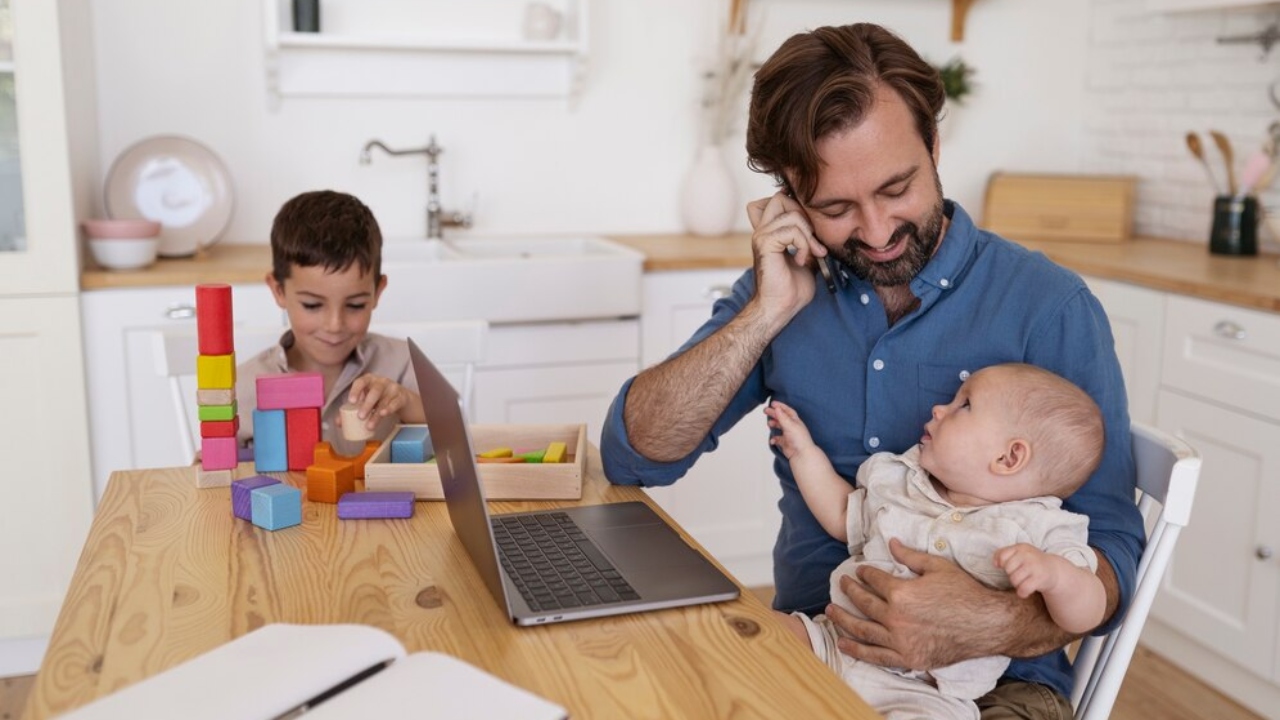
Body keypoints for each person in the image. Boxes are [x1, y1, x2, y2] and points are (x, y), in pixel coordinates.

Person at [599, 22, 1145, 717]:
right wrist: (764, 314)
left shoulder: (1048, 307)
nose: (879, 230)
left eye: (897, 188)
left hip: (997, 684)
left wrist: (987, 620)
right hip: (816, 646)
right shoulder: (783, 292)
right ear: (789, 197)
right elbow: (633, 453)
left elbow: (1115, 552)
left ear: (935, 147)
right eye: (835, 207)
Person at [768, 363, 1106, 720]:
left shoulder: (1041, 527)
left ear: (1008, 457)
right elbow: (841, 515)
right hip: (832, 643)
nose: (938, 409)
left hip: (927, 694)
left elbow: (1087, 613)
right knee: (754, 635)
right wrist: (804, 454)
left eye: (964, 405)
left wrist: (1056, 577)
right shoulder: (904, 480)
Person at [236, 189, 424, 457]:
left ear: (377, 292)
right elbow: (211, 474)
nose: (335, 325)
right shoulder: (244, 386)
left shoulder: (403, 364)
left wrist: (406, 402)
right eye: (312, 305)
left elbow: (453, 440)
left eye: (355, 305)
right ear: (278, 291)